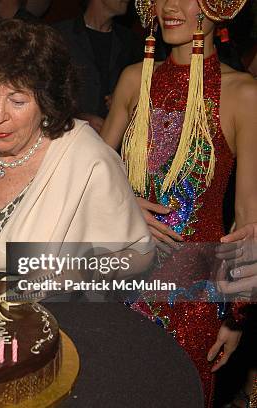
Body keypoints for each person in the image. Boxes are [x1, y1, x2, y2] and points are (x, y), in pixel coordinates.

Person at [101, 0, 257, 404]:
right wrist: (126, 204)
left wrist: (237, 316)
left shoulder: (243, 94)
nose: (168, 5)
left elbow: (247, 219)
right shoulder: (133, 80)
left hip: (194, 299)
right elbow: (89, 178)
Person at [0, 19, 152, 273]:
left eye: (17, 101)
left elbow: (139, 253)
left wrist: (75, 273)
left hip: (52, 308)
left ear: (47, 101)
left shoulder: (85, 157)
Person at [54, 0, 142, 134]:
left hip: (114, 146)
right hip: (67, 140)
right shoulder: (58, 36)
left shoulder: (131, 42)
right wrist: (76, 118)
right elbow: (42, 94)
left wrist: (125, 98)